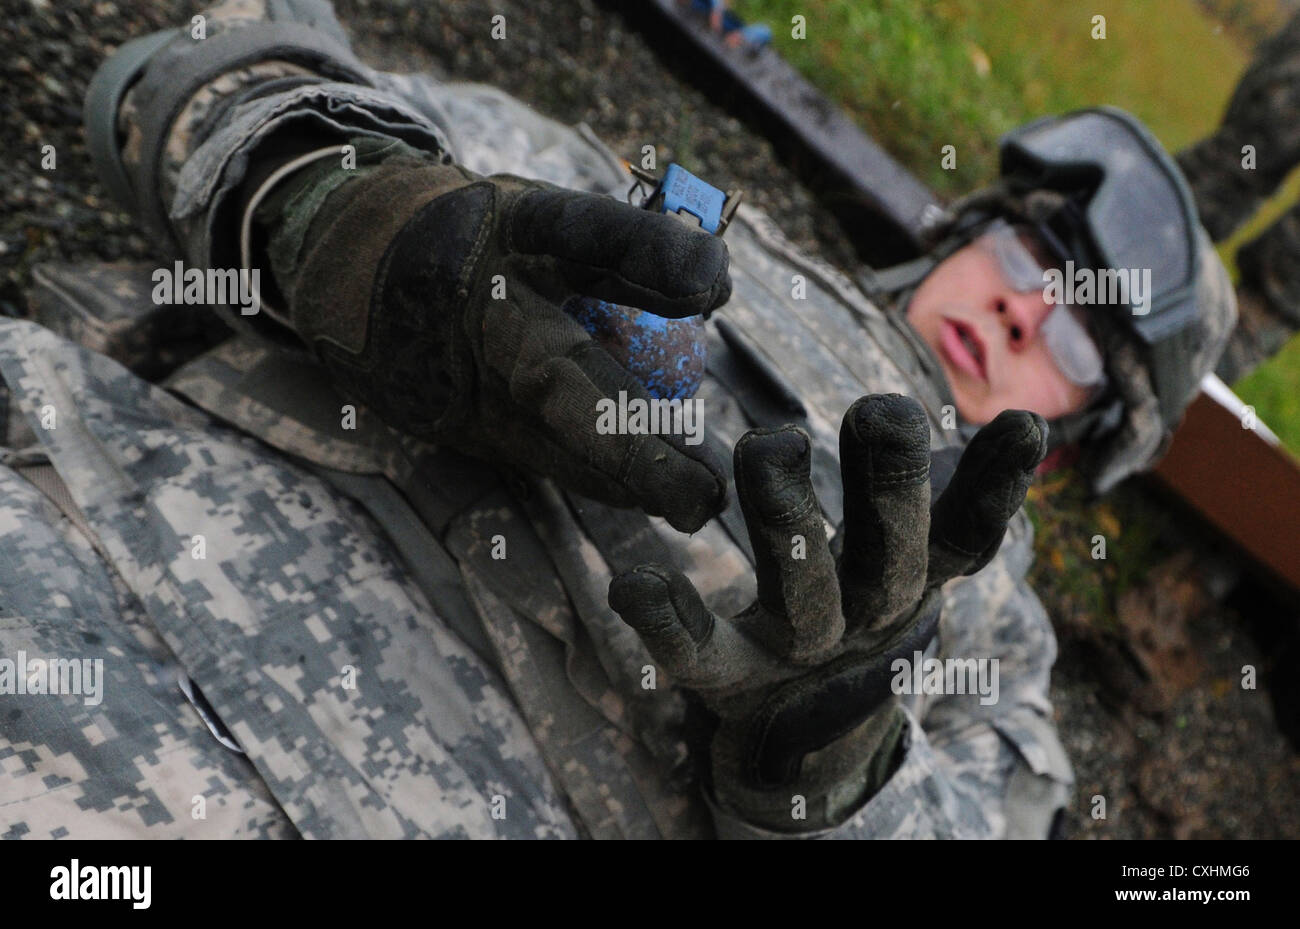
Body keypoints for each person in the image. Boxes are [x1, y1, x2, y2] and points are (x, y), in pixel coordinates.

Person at [0, 0, 1234, 839]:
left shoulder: (999, 652)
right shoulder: (660, 212)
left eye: (1077, 335)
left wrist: (829, 755)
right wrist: (341, 210)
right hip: (106, 548)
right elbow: (198, 78)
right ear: (967, 234)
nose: (1024, 312)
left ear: (1077, 434)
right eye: (1031, 255)